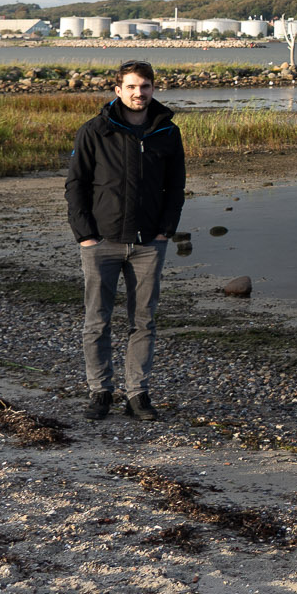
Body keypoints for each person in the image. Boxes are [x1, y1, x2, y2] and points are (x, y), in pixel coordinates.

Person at [65, 59, 185, 421]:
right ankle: (100, 392)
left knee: (143, 321)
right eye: (131, 87)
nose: (138, 93)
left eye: (144, 86)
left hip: (149, 244)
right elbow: (76, 185)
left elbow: (175, 187)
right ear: (118, 90)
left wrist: (165, 230)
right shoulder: (95, 131)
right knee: (97, 321)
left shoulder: (167, 132)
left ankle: (137, 395)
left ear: (153, 89)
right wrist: (85, 235)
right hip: (101, 242)